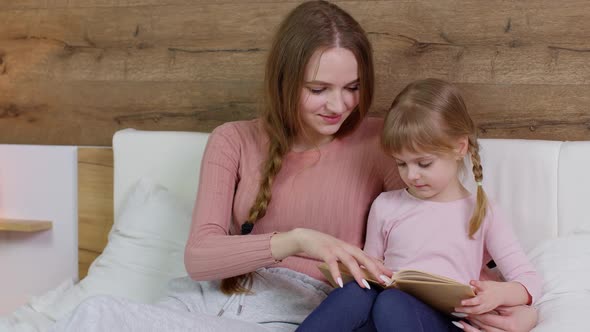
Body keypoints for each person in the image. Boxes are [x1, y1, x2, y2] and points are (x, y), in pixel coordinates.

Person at [50, 2, 539, 331]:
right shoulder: (232, 140)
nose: (339, 104)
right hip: (205, 297)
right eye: (318, 88)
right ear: (285, 81)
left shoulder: (382, 144)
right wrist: (297, 240)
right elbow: (198, 257)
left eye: (352, 87)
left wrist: (520, 312)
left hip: (288, 310)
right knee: (92, 313)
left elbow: (446, 242)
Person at [297, 79, 543, 332]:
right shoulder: (385, 206)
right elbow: (371, 269)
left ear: (459, 147)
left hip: (446, 322)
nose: (411, 175)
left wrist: (499, 294)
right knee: (357, 293)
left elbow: (529, 280)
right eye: (401, 164)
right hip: (388, 315)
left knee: (392, 302)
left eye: (423, 164)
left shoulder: (481, 211)